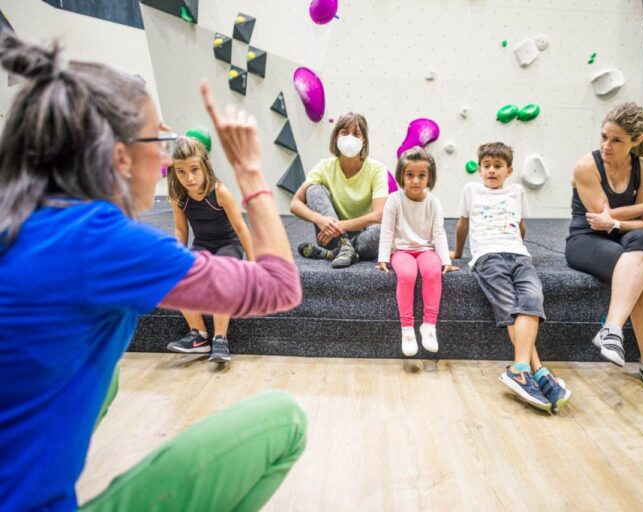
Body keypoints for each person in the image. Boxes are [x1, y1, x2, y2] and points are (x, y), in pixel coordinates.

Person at [0, 33, 306, 511]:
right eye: (159, 140)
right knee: (284, 420)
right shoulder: (100, 241)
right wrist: (249, 172)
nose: (167, 158)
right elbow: (281, 286)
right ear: (118, 157)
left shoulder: (22, 218)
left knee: (110, 379)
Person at [565, 102, 643, 399]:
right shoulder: (586, 166)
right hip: (586, 240)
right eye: (603, 136)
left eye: (616, 140)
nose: (606, 145)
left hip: (625, 238)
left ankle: (612, 330)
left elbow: (642, 226)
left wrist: (618, 220)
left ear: (636, 142)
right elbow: (600, 220)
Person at [451, 142, 571, 413]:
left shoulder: (517, 191)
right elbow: (462, 224)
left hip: (519, 255)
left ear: (509, 170)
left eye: (498, 166)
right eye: (487, 166)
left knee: (531, 301)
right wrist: (458, 252)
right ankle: (535, 369)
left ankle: (524, 370)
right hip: (488, 257)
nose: (491, 171)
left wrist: (518, 246)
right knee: (510, 307)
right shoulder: (471, 190)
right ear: (479, 169)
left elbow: (521, 226)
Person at [166, 136, 255, 362]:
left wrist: (254, 263)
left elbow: (241, 228)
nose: (189, 178)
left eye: (194, 169)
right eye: (181, 172)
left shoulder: (220, 191)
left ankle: (220, 339)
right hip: (203, 246)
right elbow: (180, 230)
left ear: (205, 166)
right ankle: (198, 336)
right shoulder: (178, 195)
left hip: (228, 245)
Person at [376, 147, 458, 356]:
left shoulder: (433, 202)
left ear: (430, 178)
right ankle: (407, 329)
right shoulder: (394, 200)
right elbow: (386, 230)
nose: (415, 180)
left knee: (432, 272)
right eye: (410, 175)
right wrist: (383, 258)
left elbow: (438, 233)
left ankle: (429, 326)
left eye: (422, 176)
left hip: (425, 250)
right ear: (401, 176)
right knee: (407, 274)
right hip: (401, 251)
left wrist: (445, 260)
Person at [290, 112, 388, 268]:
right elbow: (295, 204)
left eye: (356, 134)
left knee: (383, 232)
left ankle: (334, 254)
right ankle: (343, 247)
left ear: (364, 141)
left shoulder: (377, 169)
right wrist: (319, 219)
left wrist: (341, 226)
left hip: (363, 236)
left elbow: (380, 215)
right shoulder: (325, 166)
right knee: (313, 190)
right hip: (331, 235)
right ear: (336, 137)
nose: (350, 138)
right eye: (344, 132)